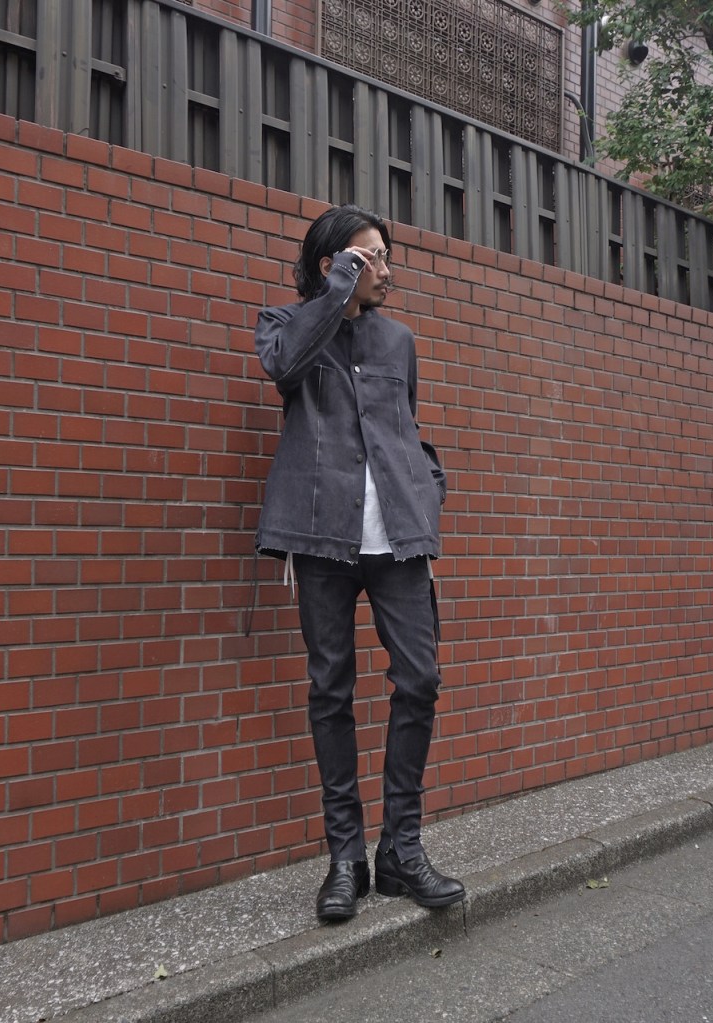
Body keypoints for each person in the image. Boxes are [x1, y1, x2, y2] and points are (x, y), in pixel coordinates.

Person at [254, 204, 465, 922]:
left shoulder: (398, 339)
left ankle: (400, 849)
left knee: (420, 678)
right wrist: (335, 294)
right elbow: (285, 368)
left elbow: (406, 426)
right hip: (321, 539)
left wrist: (427, 493)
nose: (385, 268)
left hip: (398, 540)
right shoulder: (285, 324)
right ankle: (345, 859)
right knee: (330, 691)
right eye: (369, 256)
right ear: (332, 264)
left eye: (383, 255)